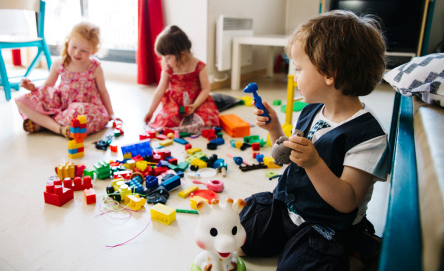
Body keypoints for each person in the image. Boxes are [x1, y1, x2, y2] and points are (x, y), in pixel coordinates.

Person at [239, 10, 389, 270]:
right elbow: (288, 160)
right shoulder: (312, 109)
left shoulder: (368, 136)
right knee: (241, 238)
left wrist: (314, 164)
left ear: (329, 73)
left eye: (299, 69)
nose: (295, 76)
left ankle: (353, 255)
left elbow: (346, 201)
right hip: (288, 206)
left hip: (326, 225)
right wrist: (275, 130)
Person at [15, 22, 120, 139]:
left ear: (93, 51)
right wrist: (33, 88)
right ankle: (56, 126)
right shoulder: (59, 63)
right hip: (62, 106)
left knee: (79, 112)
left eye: (84, 50)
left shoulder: (95, 67)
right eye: (74, 47)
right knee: (22, 100)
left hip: (86, 108)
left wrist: (111, 114)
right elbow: (47, 86)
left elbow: (103, 91)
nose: (77, 53)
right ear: (68, 41)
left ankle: (46, 124)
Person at [144, 25, 219, 134]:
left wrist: (195, 105)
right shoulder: (168, 68)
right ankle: (183, 128)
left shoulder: (199, 67)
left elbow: (206, 89)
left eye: (168, 57)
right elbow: (160, 91)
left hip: (197, 102)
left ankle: (190, 125)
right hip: (175, 105)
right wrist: (150, 112)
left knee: (209, 119)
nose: (164, 60)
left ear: (182, 54)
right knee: (166, 121)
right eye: (163, 57)